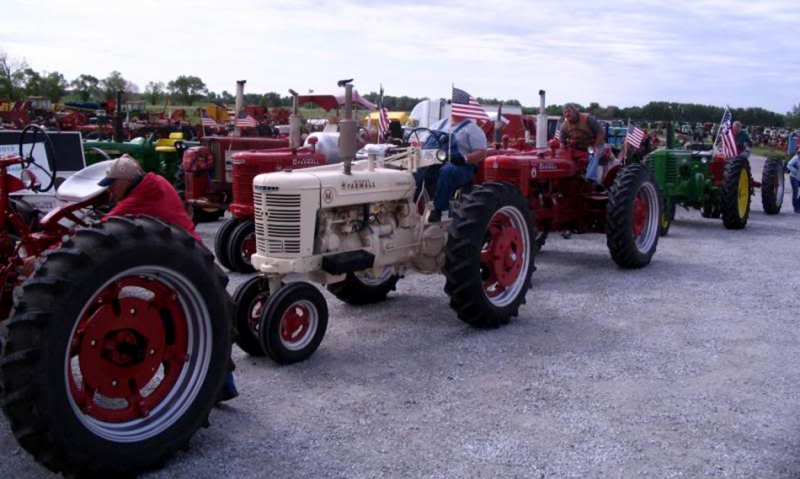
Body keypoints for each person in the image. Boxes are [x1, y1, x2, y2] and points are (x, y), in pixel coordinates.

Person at [98, 155, 240, 402]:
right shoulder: (154, 182)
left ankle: (201, 388)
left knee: (180, 327)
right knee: (189, 324)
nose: (110, 190)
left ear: (126, 180)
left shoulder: (143, 194)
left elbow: (106, 227)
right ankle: (217, 386)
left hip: (188, 263)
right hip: (187, 260)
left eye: (113, 184)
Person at [420, 111, 488, 222]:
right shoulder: (438, 125)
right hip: (434, 160)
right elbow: (423, 143)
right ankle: (410, 204)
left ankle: (438, 210)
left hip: (461, 165)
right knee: (414, 170)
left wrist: (464, 158)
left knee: (447, 172)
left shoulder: (472, 129)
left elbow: (482, 153)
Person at [558, 104, 606, 183]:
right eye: (565, 112)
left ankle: (590, 179)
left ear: (575, 111)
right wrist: (562, 152)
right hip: (576, 148)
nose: (567, 114)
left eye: (569, 111)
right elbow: (562, 141)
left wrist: (596, 146)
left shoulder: (588, 119)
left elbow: (601, 132)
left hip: (592, 145)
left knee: (594, 154)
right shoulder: (564, 125)